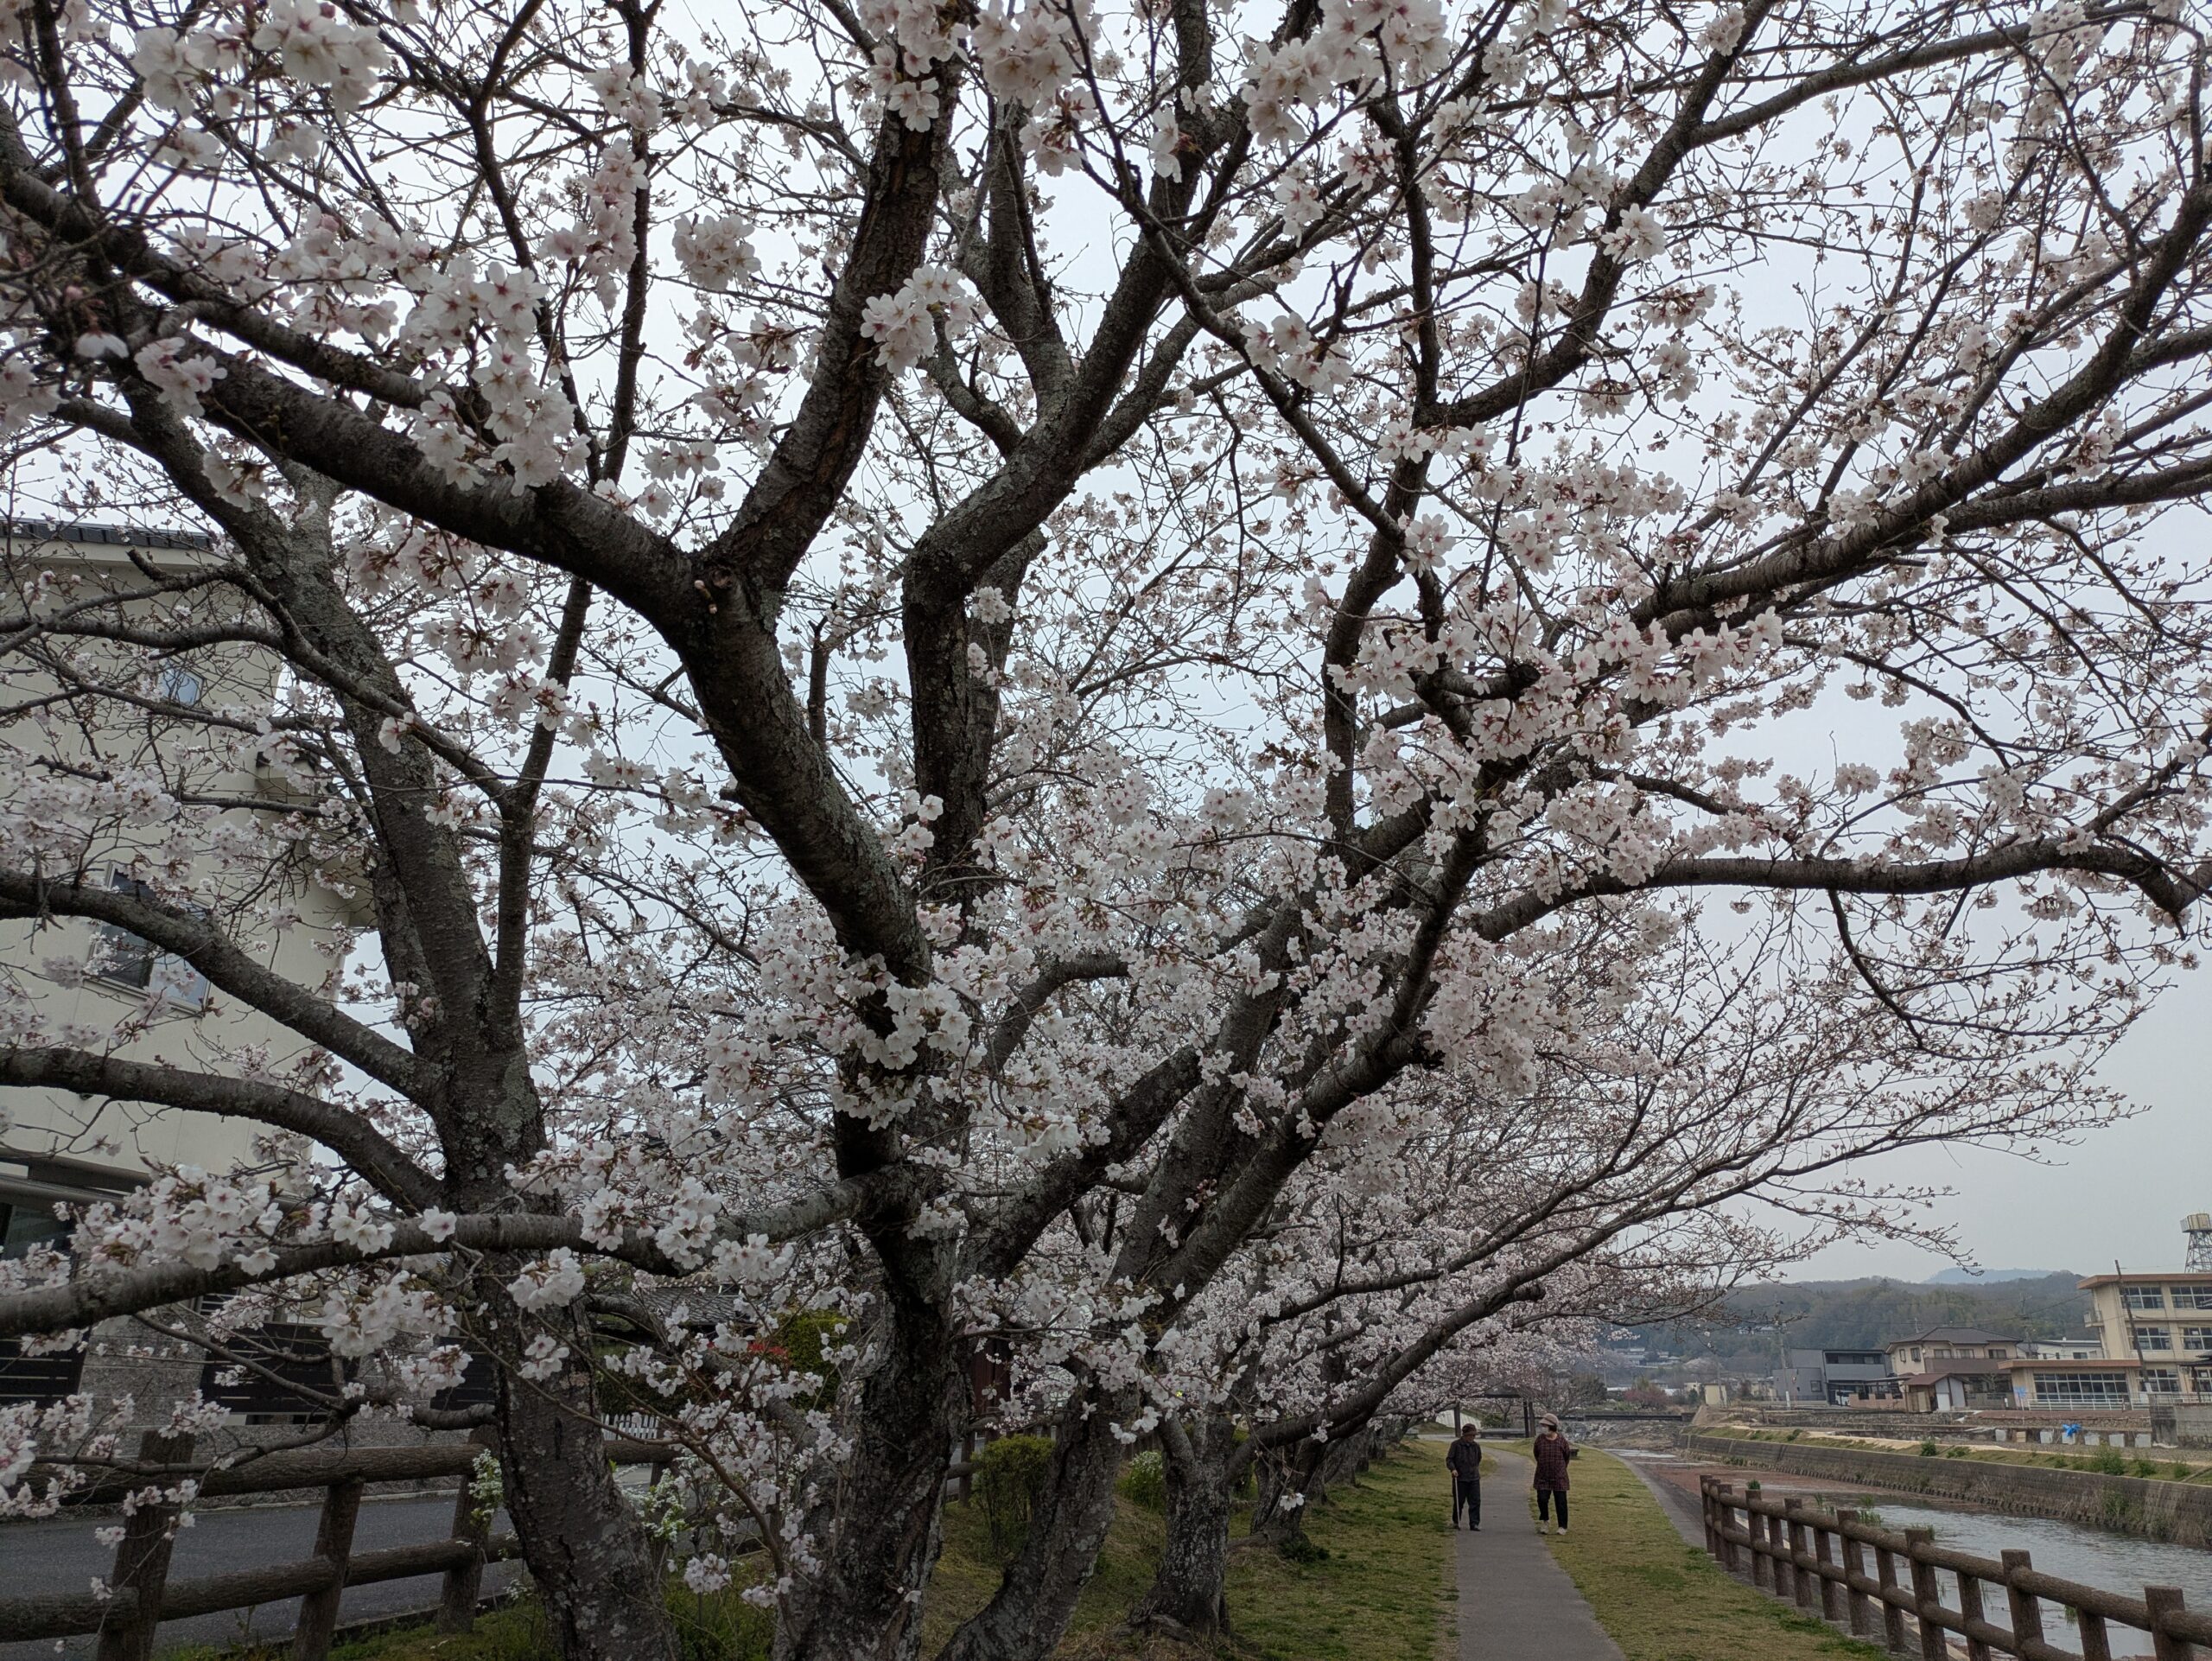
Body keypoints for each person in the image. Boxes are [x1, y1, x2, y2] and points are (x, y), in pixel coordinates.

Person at [1532, 1414, 1575, 1534]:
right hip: (1542, 1476)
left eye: (1545, 1425)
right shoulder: (1540, 1440)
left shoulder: (1561, 1440)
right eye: (1542, 1425)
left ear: (1552, 1426)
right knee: (1542, 1499)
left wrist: (1560, 1468)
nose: (1543, 1428)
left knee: (1561, 1502)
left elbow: (1566, 1456)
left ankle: (1562, 1526)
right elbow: (1536, 1454)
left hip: (1559, 1477)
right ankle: (1545, 1521)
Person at [1446, 1423, 1482, 1530]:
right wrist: (1453, 1469)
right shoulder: (1456, 1445)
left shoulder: (1476, 1446)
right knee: (1459, 1501)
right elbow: (1449, 1459)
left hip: (1474, 1477)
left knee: (1475, 1501)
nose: (1472, 1437)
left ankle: (1474, 1523)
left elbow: (1478, 1458)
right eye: (1470, 1435)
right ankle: (1456, 1521)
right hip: (1460, 1478)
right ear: (1465, 1435)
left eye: (1474, 1435)